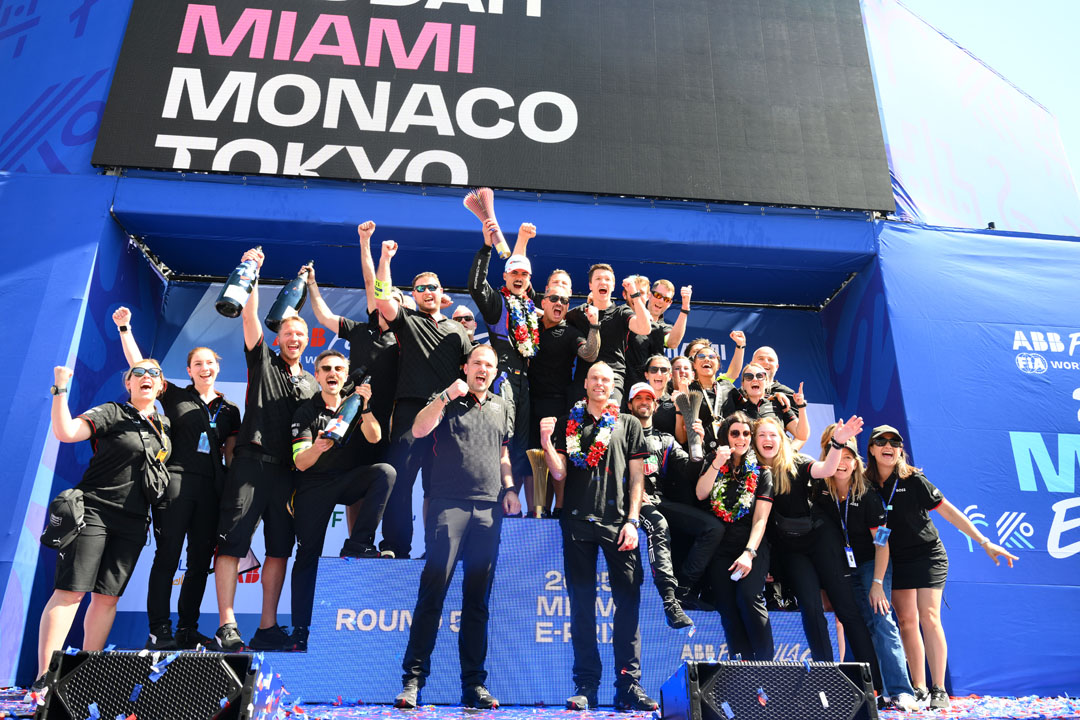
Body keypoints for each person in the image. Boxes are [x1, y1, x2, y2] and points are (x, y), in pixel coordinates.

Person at [395, 345, 520, 710]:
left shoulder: (500, 406)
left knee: (477, 602)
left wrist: (510, 489)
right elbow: (419, 429)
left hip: (489, 509)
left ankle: (474, 686)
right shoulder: (447, 399)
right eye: (478, 363)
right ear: (465, 367)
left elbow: (503, 453)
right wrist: (447, 395)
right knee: (432, 595)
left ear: (496, 372)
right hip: (447, 506)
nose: (483, 369)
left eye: (490, 366)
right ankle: (413, 682)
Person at [112, 307, 241, 650]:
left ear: (217, 368)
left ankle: (187, 629)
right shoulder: (174, 395)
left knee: (200, 562)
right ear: (189, 371)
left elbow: (232, 454)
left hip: (212, 490)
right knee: (168, 555)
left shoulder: (231, 410)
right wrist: (126, 329)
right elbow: (143, 367)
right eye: (197, 364)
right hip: (176, 483)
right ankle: (159, 628)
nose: (204, 368)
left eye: (209, 363)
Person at [37, 360, 170, 685]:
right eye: (137, 373)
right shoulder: (112, 412)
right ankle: (45, 676)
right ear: (128, 383)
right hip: (93, 512)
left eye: (153, 373)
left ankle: (87, 675)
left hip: (134, 522)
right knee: (71, 592)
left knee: (108, 598)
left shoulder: (163, 425)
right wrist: (60, 388)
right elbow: (65, 432)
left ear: (161, 385)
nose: (145, 377)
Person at [866, 425, 1017, 710]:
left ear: (900, 449)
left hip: (928, 555)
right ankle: (919, 688)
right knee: (907, 622)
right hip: (895, 558)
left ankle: (938, 688)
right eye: (880, 441)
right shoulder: (866, 484)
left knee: (929, 616)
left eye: (894, 442)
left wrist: (984, 541)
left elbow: (948, 511)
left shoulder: (914, 480)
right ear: (871, 449)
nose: (888, 446)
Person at [215, 247, 318, 652]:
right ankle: (227, 624)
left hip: (288, 475)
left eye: (300, 335)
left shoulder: (312, 383)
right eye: (288, 334)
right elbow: (248, 314)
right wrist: (252, 271)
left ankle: (268, 627)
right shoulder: (262, 360)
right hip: (251, 465)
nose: (293, 339)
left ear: (308, 341)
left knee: (279, 549)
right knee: (233, 543)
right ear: (279, 338)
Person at [540, 363, 657, 712]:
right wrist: (546, 441)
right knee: (581, 607)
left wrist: (633, 522)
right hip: (576, 524)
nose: (601, 384)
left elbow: (638, 479)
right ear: (586, 384)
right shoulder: (568, 422)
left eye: (607, 380)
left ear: (614, 387)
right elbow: (559, 470)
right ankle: (586, 685)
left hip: (619, 524)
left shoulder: (629, 423)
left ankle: (628, 685)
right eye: (595, 378)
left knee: (628, 603)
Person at [752, 415, 884, 696]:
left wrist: (837, 442)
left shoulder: (797, 462)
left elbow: (826, 469)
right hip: (792, 550)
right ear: (755, 441)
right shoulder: (752, 471)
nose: (768, 440)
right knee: (811, 610)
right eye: (762, 436)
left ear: (782, 439)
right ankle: (826, 679)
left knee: (846, 609)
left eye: (773, 435)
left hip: (821, 541)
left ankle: (873, 686)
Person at [289, 350, 395, 651]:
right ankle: (301, 628)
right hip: (314, 484)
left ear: (345, 375)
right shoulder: (305, 411)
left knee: (384, 473)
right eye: (326, 369)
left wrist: (365, 406)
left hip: (346, 480)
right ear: (318, 375)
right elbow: (301, 463)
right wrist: (320, 447)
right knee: (308, 554)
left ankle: (358, 543)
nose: (332, 373)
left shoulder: (354, 405)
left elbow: (374, 437)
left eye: (338, 368)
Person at [305, 222, 402, 548]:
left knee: (386, 482)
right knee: (356, 484)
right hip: (355, 416)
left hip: (387, 420)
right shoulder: (360, 329)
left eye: (394, 299)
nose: (386, 301)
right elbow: (326, 313)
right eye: (383, 297)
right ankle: (356, 544)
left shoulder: (405, 340)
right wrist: (365, 242)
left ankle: (385, 544)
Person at [374, 240, 473, 559]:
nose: (427, 291)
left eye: (432, 287)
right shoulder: (407, 321)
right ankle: (394, 546)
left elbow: (473, 373)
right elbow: (382, 299)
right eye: (420, 288)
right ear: (414, 295)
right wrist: (385, 259)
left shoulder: (458, 331)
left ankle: (438, 549)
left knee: (441, 488)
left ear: (442, 294)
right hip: (408, 413)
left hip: (448, 417)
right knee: (399, 481)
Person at [814, 425, 918, 712]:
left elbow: (882, 543)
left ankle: (901, 690)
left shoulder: (869, 495)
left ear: (857, 462)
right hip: (843, 568)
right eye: (838, 457)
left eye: (849, 457)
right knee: (860, 625)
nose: (843, 463)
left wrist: (877, 583)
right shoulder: (821, 491)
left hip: (873, 565)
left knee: (883, 621)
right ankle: (878, 689)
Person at [626, 382, 716, 630]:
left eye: (649, 398)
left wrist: (698, 442)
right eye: (639, 397)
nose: (644, 401)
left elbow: (689, 469)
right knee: (658, 523)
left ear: (655, 406)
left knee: (712, 528)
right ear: (630, 405)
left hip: (658, 501)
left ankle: (683, 591)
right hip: (630, 502)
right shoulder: (619, 432)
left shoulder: (664, 439)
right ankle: (669, 602)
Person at [467, 219, 540, 490]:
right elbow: (476, 286)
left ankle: (511, 500)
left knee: (521, 444)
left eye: (525, 275)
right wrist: (487, 248)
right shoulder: (498, 302)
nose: (519, 278)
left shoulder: (529, 307)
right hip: (504, 379)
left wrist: (523, 241)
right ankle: (496, 495)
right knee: (504, 438)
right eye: (514, 274)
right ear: (506, 278)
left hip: (525, 382)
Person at [695, 412, 774, 660]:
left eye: (746, 433)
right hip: (720, 550)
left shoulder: (762, 472)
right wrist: (717, 463)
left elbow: (761, 518)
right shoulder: (714, 460)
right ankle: (742, 668)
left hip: (751, 548)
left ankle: (766, 667)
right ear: (725, 436)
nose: (741, 438)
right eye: (735, 433)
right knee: (727, 608)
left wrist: (749, 554)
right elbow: (701, 494)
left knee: (749, 598)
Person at [526, 275, 599, 515]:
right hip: (528, 402)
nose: (559, 303)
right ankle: (537, 511)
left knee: (555, 457)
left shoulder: (570, 332)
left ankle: (560, 509)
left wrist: (594, 326)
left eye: (565, 301)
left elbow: (589, 354)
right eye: (554, 298)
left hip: (556, 405)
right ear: (543, 301)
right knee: (532, 460)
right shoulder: (528, 325)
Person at [565, 264, 652, 404]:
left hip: (613, 377)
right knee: (578, 423)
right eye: (598, 278)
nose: (603, 282)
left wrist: (635, 295)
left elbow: (644, 329)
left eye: (607, 279)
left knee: (610, 422)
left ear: (613, 286)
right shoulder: (579, 313)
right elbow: (552, 318)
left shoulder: (622, 313)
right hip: (584, 379)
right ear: (590, 285)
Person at [674, 334, 745, 455]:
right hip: (702, 454)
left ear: (718, 365)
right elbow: (682, 437)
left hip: (731, 451)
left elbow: (745, 414)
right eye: (701, 356)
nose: (707, 359)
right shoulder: (688, 390)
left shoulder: (727, 386)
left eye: (712, 357)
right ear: (694, 365)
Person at [622, 277, 692, 391]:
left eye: (667, 299)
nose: (661, 301)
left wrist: (685, 308)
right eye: (658, 296)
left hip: (647, 390)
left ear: (670, 304)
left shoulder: (661, 327)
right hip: (621, 383)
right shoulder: (628, 314)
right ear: (649, 295)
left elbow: (673, 343)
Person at [722, 362, 809, 446]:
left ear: (767, 382)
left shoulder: (779, 403)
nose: (755, 379)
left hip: (778, 458)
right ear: (743, 384)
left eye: (760, 376)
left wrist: (801, 406)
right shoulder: (737, 409)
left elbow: (801, 435)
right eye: (749, 377)